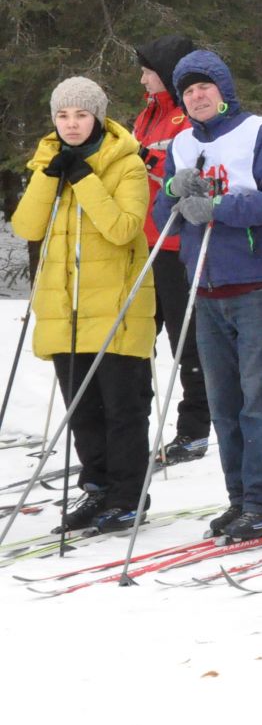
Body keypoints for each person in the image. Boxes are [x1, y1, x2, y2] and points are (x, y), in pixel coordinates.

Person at [152, 50, 262, 541]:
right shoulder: (182, 142)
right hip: (205, 287)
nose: (197, 96)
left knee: (259, 401)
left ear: (223, 88)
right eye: (188, 91)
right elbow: (160, 215)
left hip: (255, 283)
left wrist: (217, 206)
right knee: (224, 403)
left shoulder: (260, 133)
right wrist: (174, 187)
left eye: (205, 87)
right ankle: (239, 500)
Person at [11, 78, 157, 531]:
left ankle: (128, 496)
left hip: (117, 309)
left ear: (98, 116)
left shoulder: (126, 164)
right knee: (83, 411)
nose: (72, 124)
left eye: (80, 115)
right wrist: (50, 176)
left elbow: (124, 227)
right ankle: (97, 490)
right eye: (63, 116)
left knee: (122, 409)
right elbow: (26, 227)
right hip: (65, 310)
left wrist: (85, 179)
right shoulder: (47, 162)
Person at [132, 35, 209, 465]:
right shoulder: (148, 112)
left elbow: (188, 171)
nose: (142, 77)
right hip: (144, 241)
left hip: (178, 242)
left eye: (148, 70)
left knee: (187, 339)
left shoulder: (186, 115)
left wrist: (144, 160)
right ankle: (132, 425)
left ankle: (195, 427)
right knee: (140, 337)